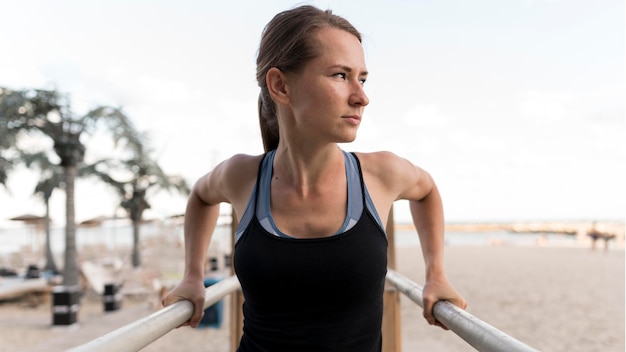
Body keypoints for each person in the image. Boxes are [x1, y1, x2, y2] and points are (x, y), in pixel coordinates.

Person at [162, 5, 467, 351]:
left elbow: (426, 191)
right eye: (340, 75)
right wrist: (192, 275)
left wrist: (436, 275)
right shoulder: (242, 176)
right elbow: (201, 196)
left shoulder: (380, 174)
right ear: (280, 86)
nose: (362, 97)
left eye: (362, 78)